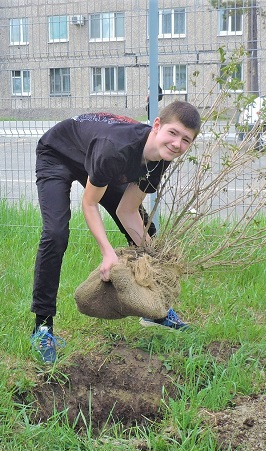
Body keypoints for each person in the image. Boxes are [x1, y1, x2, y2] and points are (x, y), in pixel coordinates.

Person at [30, 101, 202, 363]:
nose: (177, 144)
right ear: (157, 126)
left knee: (146, 231)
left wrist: (154, 256)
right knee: (56, 233)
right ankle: (42, 327)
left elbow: (128, 211)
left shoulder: (160, 158)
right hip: (59, 153)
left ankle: (154, 309)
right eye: (173, 133)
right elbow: (89, 203)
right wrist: (107, 252)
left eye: (186, 140)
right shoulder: (116, 149)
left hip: (97, 159)